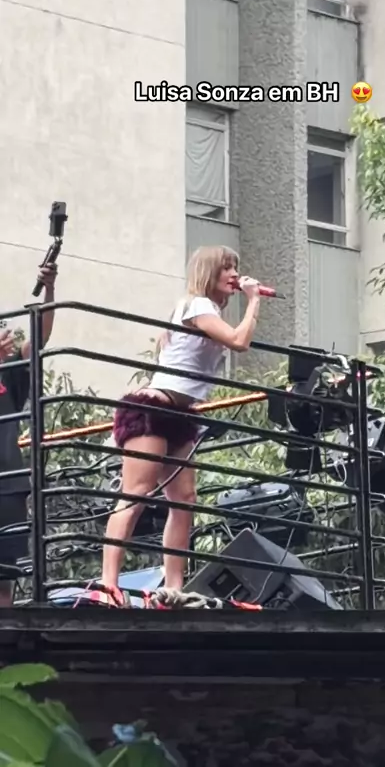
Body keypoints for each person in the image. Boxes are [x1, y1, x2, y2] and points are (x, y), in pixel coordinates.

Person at [101, 246, 261, 605]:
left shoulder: (209, 311)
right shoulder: (197, 305)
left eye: (235, 267)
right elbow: (240, 341)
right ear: (208, 272)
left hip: (182, 413)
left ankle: (174, 587)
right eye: (226, 268)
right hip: (154, 407)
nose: (234, 274)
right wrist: (253, 301)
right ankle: (108, 583)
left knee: (185, 499)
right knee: (136, 492)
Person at [0, 263, 58, 607]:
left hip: (8, 486)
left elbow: (38, 340)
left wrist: (49, 289)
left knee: (4, 580)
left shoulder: (9, 375)